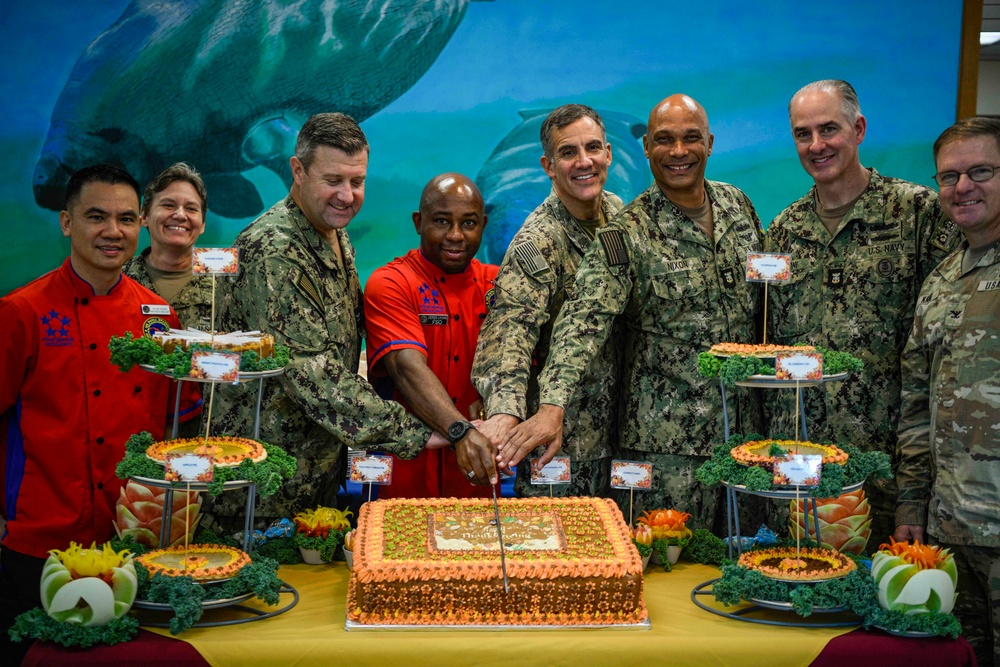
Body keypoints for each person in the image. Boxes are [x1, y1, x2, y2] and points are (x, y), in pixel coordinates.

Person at [207, 114, 496, 532]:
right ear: (298, 171)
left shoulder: (328, 230)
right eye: (333, 180)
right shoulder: (276, 249)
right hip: (262, 484)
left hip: (312, 468)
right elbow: (314, 377)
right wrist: (426, 432)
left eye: (357, 181)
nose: (347, 195)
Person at [500, 95, 763, 529]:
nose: (678, 152)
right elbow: (581, 320)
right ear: (645, 149)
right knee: (666, 566)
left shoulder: (738, 206)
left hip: (743, 439)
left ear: (710, 143)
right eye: (664, 140)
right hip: (667, 447)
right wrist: (549, 405)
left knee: (744, 558)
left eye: (690, 138)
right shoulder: (627, 231)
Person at [0, 164, 200, 662]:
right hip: (39, 541)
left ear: (141, 226)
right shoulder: (21, 311)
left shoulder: (159, 316)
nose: (113, 232)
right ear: (67, 222)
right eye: (96, 217)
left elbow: (178, 422)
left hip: (131, 540)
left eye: (126, 219)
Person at [764, 80, 958, 546]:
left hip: (890, 469)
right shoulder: (783, 232)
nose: (816, 145)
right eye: (802, 134)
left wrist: (918, 482)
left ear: (859, 129)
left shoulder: (917, 214)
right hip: (802, 469)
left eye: (828, 129)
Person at [472, 104, 624, 498]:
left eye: (593, 148)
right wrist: (505, 411)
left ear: (608, 153)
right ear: (548, 165)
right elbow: (510, 333)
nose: (584, 161)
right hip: (557, 447)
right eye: (568, 152)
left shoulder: (619, 216)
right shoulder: (536, 242)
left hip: (622, 437)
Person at [894, 116, 1000, 667]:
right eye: (948, 177)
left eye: (980, 171)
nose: (963, 188)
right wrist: (912, 498)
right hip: (949, 526)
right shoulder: (941, 279)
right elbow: (917, 400)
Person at [364, 173, 497, 499]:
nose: (455, 235)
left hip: (478, 471)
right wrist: (460, 433)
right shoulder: (390, 282)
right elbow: (407, 368)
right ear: (418, 222)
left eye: (468, 223)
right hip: (406, 467)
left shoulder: (498, 286)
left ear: (483, 224)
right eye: (441, 221)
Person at [124, 162, 215, 331]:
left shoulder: (226, 286)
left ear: (202, 224)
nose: (180, 215)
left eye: (191, 208)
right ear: (144, 216)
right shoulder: (117, 279)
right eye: (168, 205)